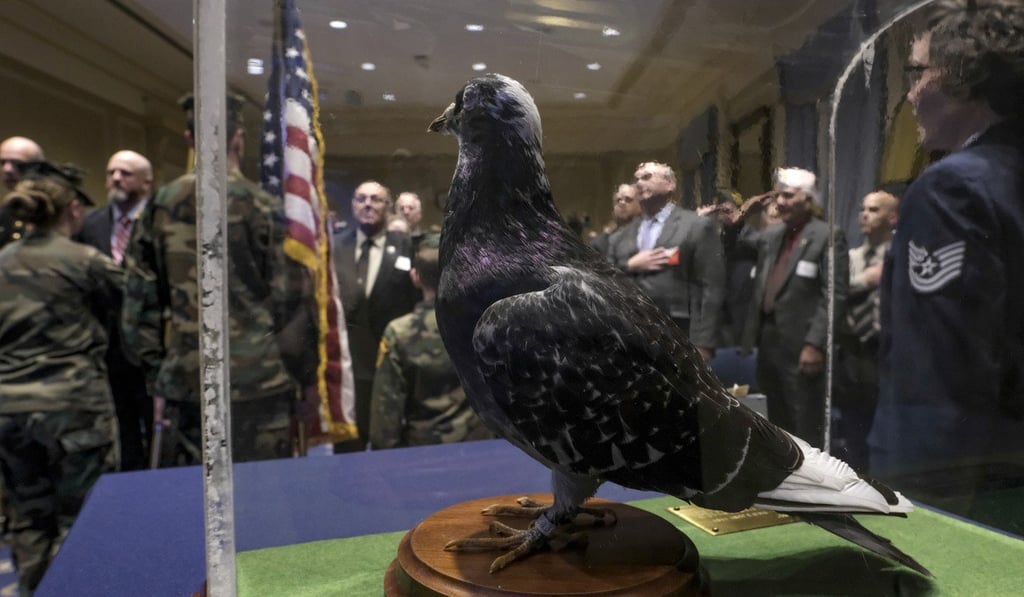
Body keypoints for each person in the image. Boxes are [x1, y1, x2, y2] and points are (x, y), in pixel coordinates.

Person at [871, 0, 1024, 495]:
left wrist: (911, 501)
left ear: (964, 77)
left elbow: (936, 378)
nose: (910, 94)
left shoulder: (953, 188)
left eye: (918, 73)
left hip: (967, 480)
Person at [122, 94, 315, 466]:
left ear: (190, 139)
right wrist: (303, 377)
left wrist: (158, 375)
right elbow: (292, 300)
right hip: (260, 382)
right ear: (238, 137)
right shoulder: (262, 206)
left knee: (196, 494)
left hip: (189, 383)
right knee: (263, 490)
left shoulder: (161, 206)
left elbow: (138, 305)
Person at [0, 162, 119, 596]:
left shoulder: (2, 261)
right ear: (73, 209)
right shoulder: (84, 260)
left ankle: (34, 589)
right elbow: (134, 301)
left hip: (10, 410)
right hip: (74, 407)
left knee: (28, 518)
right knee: (82, 516)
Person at [741, 167, 848, 449]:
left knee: (805, 424)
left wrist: (815, 344)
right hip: (769, 342)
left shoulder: (827, 236)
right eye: (778, 195)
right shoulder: (774, 235)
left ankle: (811, 477)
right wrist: (742, 214)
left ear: (808, 200)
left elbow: (834, 294)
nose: (780, 202)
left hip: (803, 346)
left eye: (788, 196)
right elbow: (740, 242)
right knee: (778, 424)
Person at [369, 234, 492, 449]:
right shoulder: (486, 323)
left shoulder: (399, 332)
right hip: (483, 448)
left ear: (415, 277)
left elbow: (385, 421)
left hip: (423, 453)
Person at [74, 150, 154, 470]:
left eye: (126, 173)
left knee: (155, 422)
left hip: (150, 343)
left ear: (146, 182)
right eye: (111, 173)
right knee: (122, 423)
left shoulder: (159, 222)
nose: (116, 179)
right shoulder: (90, 223)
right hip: (106, 344)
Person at [606, 161, 725, 361]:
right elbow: (605, 281)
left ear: (670, 184)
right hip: (629, 335)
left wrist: (703, 342)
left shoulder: (695, 226)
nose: (639, 183)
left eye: (647, 177)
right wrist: (630, 266)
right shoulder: (619, 237)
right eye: (636, 179)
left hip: (679, 331)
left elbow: (711, 286)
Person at [332, 181, 419, 452]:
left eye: (376, 199)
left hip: (391, 362)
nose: (367, 204)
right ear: (353, 205)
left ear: (388, 207)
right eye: (361, 199)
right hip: (350, 364)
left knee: (389, 445)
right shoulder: (336, 246)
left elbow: (414, 300)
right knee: (349, 446)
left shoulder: (405, 246)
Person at [833, 190, 898, 471]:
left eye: (873, 210)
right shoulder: (850, 258)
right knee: (853, 428)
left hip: (886, 352)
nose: (865, 215)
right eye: (863, 209)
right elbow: (836, 293)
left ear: (892, 218)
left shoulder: (900, 257)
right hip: (853, 355)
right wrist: (866, 280)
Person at [0, 136, 45, 248]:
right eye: (3, 162)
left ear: (38, 168)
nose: (7, 169)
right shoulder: (4, 213)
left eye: (17, 163)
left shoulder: (56, 213)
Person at [590, 183, 641, 257]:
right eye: (618, 200)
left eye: (628, 200)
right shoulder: (600, 244)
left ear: (640, 206)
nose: (622, 203)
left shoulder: (650, 237)